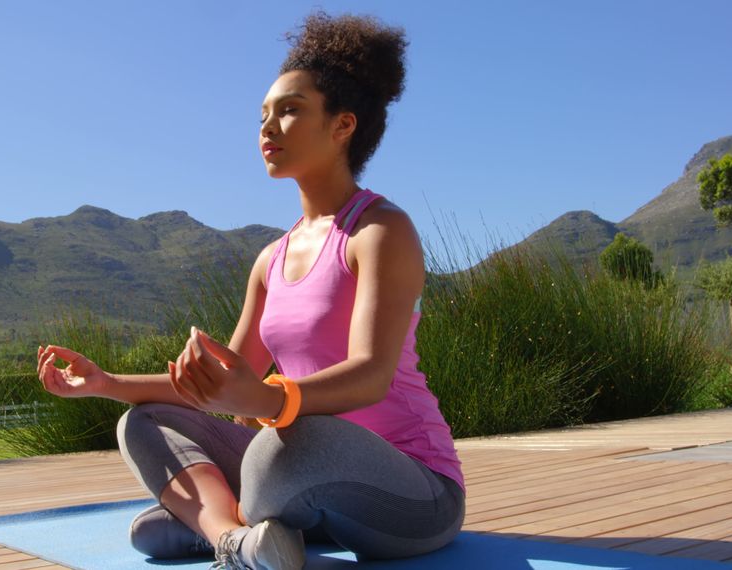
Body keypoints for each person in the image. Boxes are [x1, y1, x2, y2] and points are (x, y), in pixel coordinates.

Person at [35, 9, 465, 570]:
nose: (268, 128)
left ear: (343, 126)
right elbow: (222, 382)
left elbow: (371, 375)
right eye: (263, 114)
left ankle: (215, 518)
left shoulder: (380, 231)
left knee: (289, 442)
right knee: (143, 422)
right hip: (292, 462)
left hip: (412, 490)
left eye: (290, 111)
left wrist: (267, 400)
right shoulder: (271, 259)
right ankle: (234, 540)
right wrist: (105, 383)